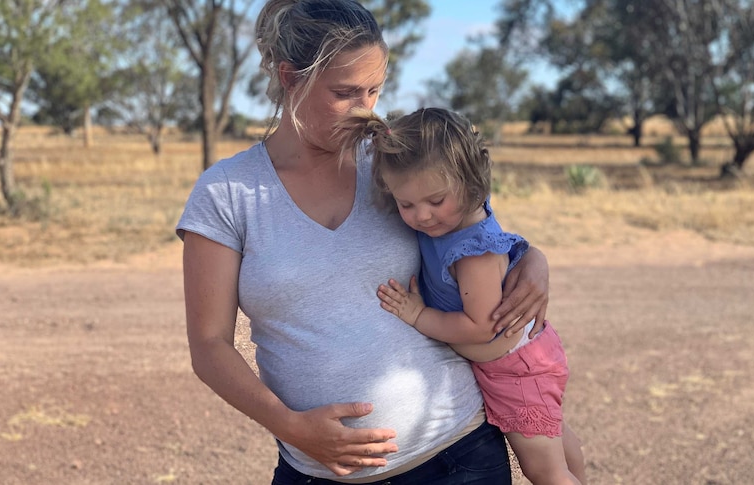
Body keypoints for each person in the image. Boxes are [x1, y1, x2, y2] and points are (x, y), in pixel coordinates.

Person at [176, 1, 553, 483]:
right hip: (314, 472)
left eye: (374, 90)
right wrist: (291, 427)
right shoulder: (227, 193)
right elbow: (209, 346)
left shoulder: (397, 164)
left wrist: (534, 261)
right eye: (345, 92)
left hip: (458, 457)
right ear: (290, 77)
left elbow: (479, 237)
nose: (365, 110)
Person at [336, 107, 587, 485]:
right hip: (516, 364)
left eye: (435, 201)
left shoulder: (473, 252)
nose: (422, 216)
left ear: (470, 182)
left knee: (544, 470)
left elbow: (481, 327)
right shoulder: (446, 225)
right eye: (407, 204)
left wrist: (417, 315)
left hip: (515, 368)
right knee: (553, 441)